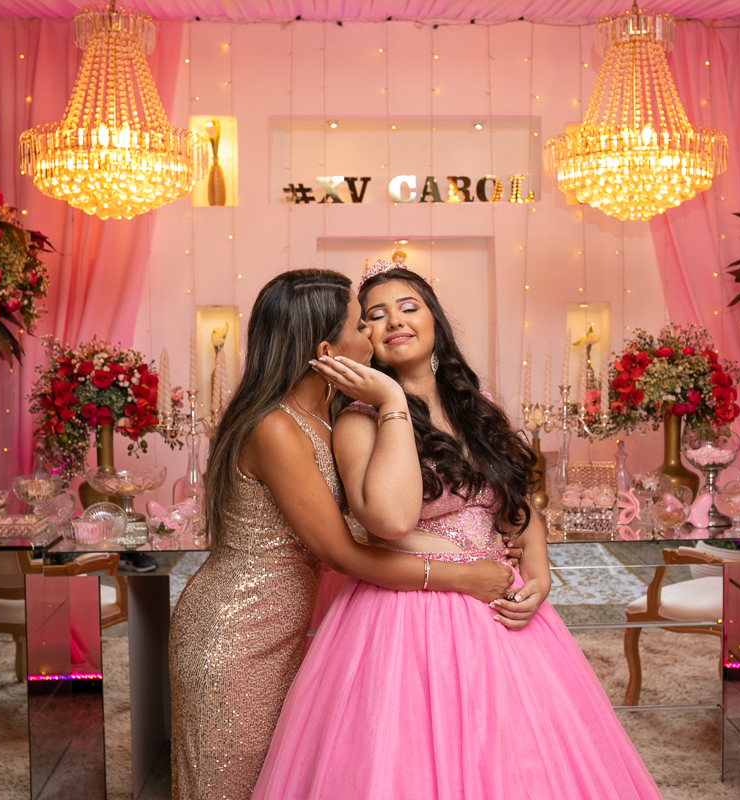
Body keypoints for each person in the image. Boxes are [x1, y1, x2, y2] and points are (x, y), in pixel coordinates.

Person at [252, 261, 663, 800]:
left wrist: (538, 566)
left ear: (435, 321)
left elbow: (514, 497)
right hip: (411, 612)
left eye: (409, 307)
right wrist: (390, 402)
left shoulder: (477, 405)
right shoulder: (357, 420)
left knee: (522, 756)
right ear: (363, 338)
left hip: (501, 599)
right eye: (373, 316)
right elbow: (384, 521)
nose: (394, 321)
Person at [169, 269, 516, 800]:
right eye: (364, 321)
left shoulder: (329, 415)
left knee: (285, 776)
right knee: (230, 784)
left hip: (290, 621)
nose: (377, 331)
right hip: (237, 628)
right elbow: (344, 553)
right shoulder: (277, 428)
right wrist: (460, 578)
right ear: (329, 348)